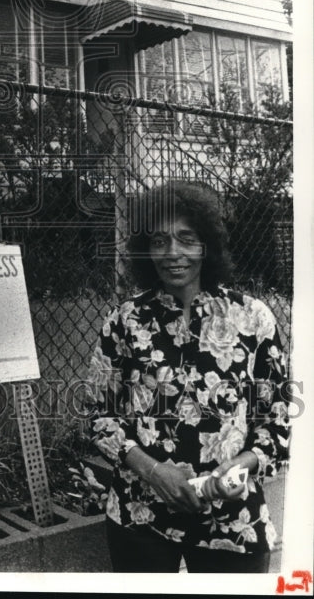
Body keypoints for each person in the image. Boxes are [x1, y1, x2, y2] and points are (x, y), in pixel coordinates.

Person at [87, 180, 289, 573]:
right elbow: (99, 415)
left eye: (186, 239)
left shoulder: (253, 318)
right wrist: (154, 471)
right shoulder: (125, 321)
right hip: (139, 514)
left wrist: (243, 464)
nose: (173, 253)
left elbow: (278, 424)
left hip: (232, 521)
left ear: (206, 245)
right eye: (160, 241)